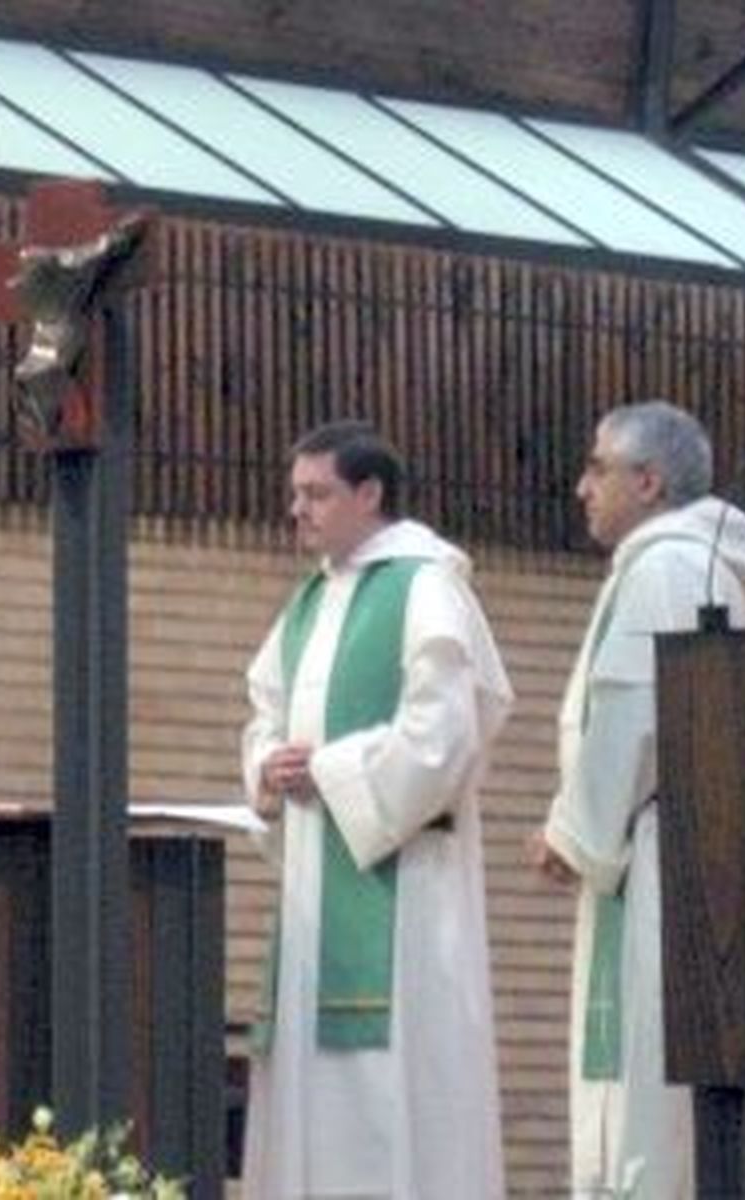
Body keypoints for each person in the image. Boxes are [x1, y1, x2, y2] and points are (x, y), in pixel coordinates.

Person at [529, 400, 745, 1198]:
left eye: (597, 468)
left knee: (659, 1123)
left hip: (670, 873)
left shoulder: (663, 568)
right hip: (704, 854)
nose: (582, 486)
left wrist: (571, 836)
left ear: (648, 481)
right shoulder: (704, 567)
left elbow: (629, 718)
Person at [241, 419, 512, 1199]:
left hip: (407, 896)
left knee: (399, 1093)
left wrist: (325, 770)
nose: (298, 509)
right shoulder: (305, 604)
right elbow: (263, 713)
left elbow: (444, 736)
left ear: (370, 493)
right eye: (294, 493)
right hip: (312, 900)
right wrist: (267, 766)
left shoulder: (427, 586)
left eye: (317, 493)